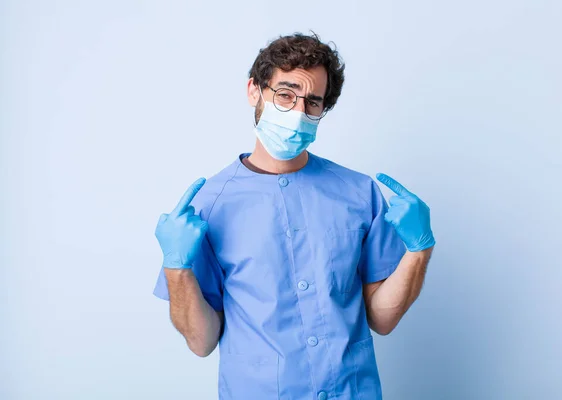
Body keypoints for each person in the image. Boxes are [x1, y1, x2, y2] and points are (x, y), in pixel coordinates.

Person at [152, 32, 435, 400]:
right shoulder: (208, 205)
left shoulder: (359, 193)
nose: (298, 112)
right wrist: (177, 269)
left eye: (312, 102)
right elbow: (201, 342)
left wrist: (418, 251)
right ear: (254, 90)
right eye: (285, 95)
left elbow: (382, 319)